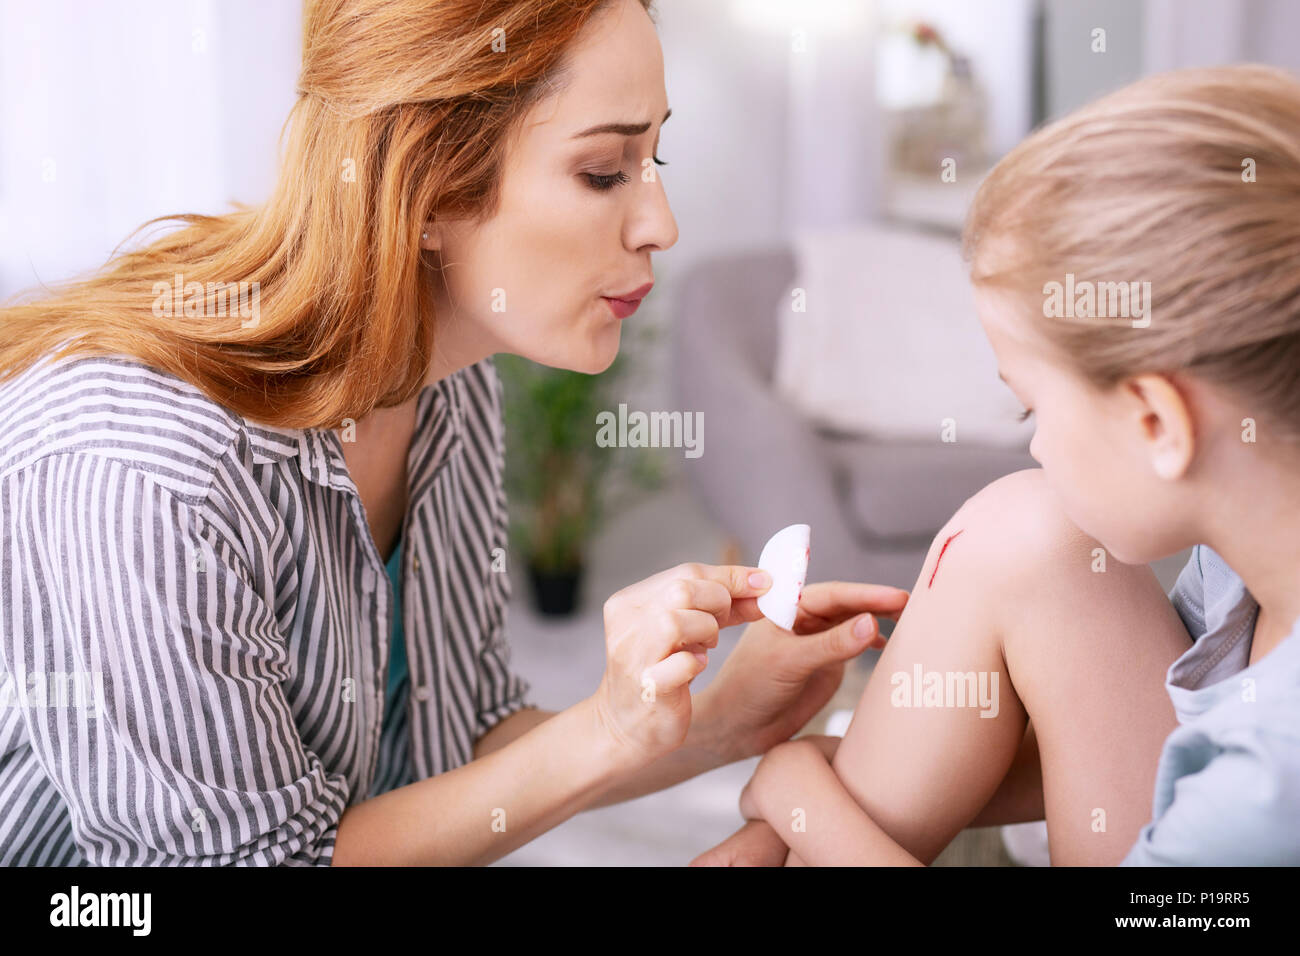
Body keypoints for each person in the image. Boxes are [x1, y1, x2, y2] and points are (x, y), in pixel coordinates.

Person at [0, 0, 906, 865]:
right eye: (602, 173)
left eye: (655, 159)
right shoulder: (149, 476)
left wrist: (720, 720)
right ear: (426, 187)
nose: (661, 223)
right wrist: (605, 729)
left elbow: (465, 740)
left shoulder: (451, 386)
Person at [696, 64, 1300, 867]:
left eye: (1032, 410)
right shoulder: (1245, 564)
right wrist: (814, 796)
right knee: (1024, 524)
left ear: (1157, 420)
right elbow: (1111, 738)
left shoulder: (1266, 785)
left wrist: (799, 794)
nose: (1035, 444)